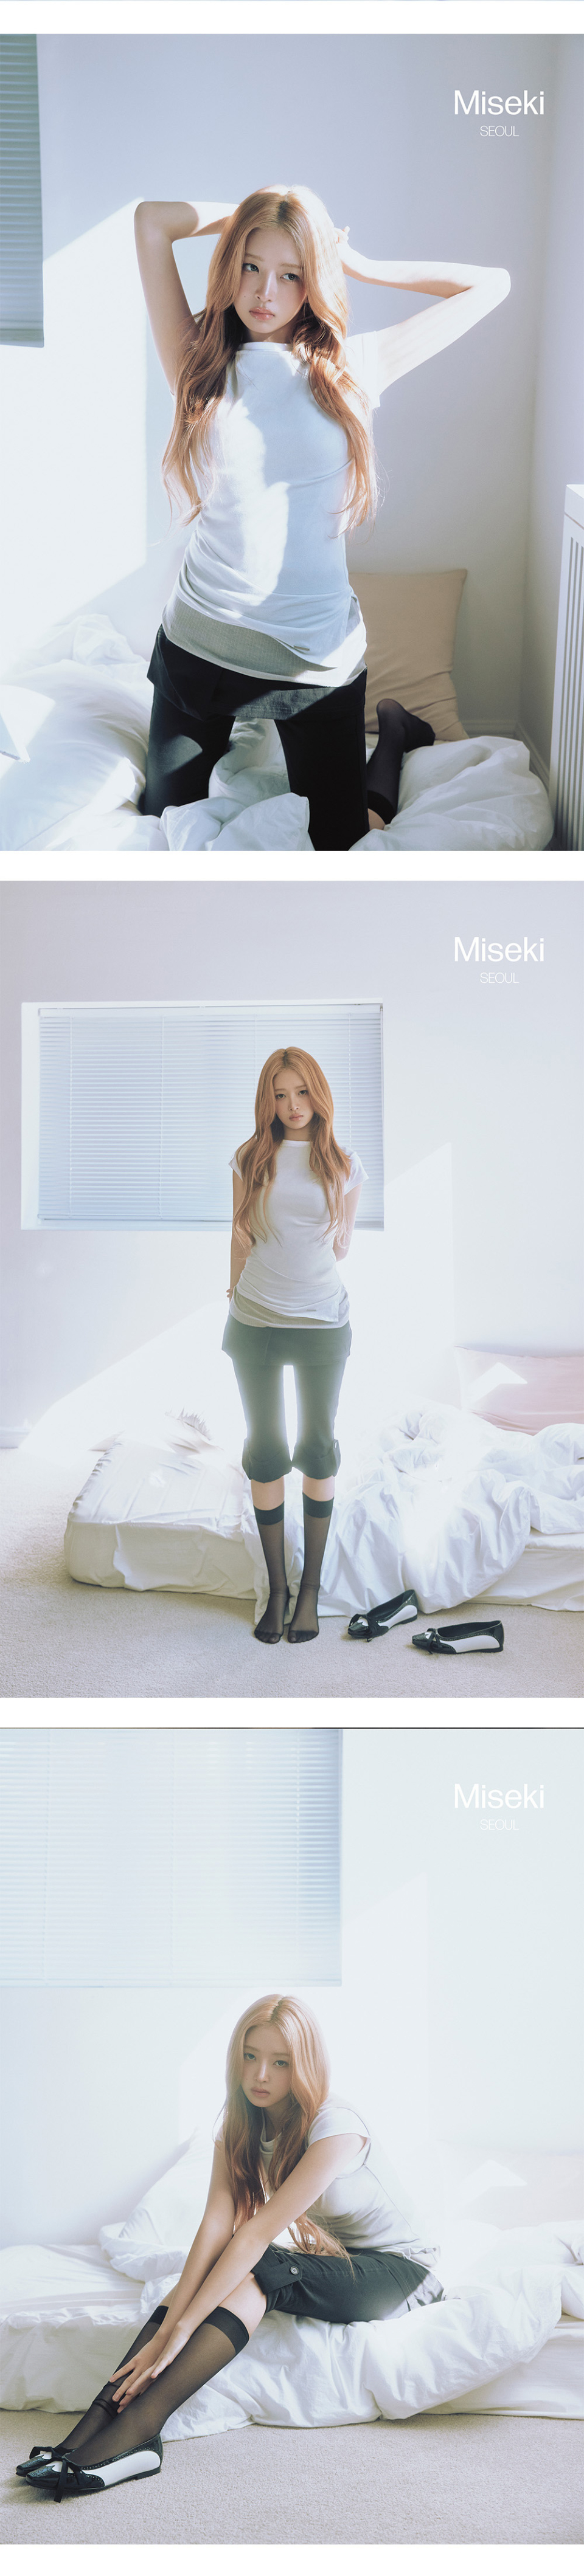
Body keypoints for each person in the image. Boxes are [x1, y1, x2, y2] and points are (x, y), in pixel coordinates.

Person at [134, 185, 510, 848]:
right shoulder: (197, 360)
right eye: (251, 265)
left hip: (311, 663)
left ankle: (394, 733)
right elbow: (151, 222)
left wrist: (359, 263)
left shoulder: (352, 368)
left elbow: (492, 285)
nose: (265, 292)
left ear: (315, 280)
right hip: (200, 647)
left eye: (292, 274)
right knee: (161, 823)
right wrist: (258, 212)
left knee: (342, 843)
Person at [18, 1992, 444, 2500]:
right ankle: (87, 2432)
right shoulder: (242, 2125)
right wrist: (171, 2320)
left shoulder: (336, 2126)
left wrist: (178, 2333)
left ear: (305, 2064)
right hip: (343, 2264)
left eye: (281, 2062)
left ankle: (138, 2434)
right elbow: (217, 2226)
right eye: (250, 2056)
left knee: (260, 2268)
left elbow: (257, 2235)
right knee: (208, 2272)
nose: (261, 2075)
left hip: (403, 2272)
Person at [223, 1045, 363, 1642]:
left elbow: (342, 1246)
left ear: (318, 1093)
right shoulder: (250, 1156)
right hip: (255, 1320)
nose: (293, 1105)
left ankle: (310, 1591)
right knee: (265, 1450)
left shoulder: (345, 1164)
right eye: (280, 1095)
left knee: (317, 1449)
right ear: (268, 1101)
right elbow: (240, 1235)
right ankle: (278, 1589)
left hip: (322, 1323)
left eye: (302, 1091)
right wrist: (233, 1294)